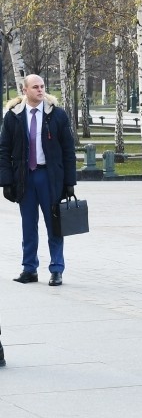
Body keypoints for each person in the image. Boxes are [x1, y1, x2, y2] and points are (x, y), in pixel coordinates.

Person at [1, 74, 77, 287]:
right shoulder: (13, 116)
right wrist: (6, 182)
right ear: (25, 90)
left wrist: (69, 182)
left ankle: (56, 269)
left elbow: (68, 150)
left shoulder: (57, 115)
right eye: (35, 87)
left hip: (49, 176)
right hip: (24, 177)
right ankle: (29, 268)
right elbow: (4, 150)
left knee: (54, 224)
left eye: (43, 86)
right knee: (28, 225)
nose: (40, 90)